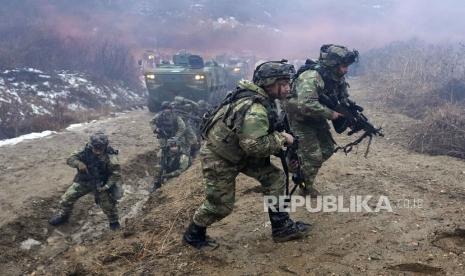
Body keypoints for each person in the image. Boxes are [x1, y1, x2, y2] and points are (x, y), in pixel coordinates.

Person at [182, 60, 311, 250]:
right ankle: (193, 235)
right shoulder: (256, 109)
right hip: (221, 158)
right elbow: (255, 146)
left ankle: (281, 227)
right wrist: (282, 139)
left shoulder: (264, 100)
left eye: (287, 83)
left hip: (239, 151)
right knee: (220, 206)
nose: (286, 88)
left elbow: (256, 139)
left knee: (275, 178)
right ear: (268, 84)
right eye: (282, 84)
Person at [287, 44, 359, 196]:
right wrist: (331, 114)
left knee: (327, 148)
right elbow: (305, 103)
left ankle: (298, 161)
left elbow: (341, 97)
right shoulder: (312, 76)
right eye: (344, 66)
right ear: (333, 64)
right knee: (314, 156)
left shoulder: (336, 77)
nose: (346, 70)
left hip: (316, 118)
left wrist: (350, 110)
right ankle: (305, 186)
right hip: (300, 119)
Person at [49, 131, 123, 230]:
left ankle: (113, 221)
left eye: (100, 148)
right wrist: (78, 163)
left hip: (101, 184)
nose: (97, 151)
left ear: (105, 146)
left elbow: (115, 175)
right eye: (95, 148)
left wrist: (106, 186)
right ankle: (63, 215)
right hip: (84, 181)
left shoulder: (111, 158)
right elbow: (70, 159)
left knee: (108, 205)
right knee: (66, 198)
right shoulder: (85, 150)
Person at [149, 101, 187, 190]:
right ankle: (157, 182)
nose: (167, 110)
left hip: (174, 142)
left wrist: (176, 137)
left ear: (171, 109)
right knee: (162, 163)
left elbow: (183, 128)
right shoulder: (159, 116)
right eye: (165, 109)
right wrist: (156, 129)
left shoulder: (176, 117)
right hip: (164, 143)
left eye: (168, 109)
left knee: (178, 157)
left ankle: (175, 175)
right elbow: (151, 122)